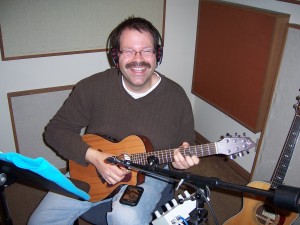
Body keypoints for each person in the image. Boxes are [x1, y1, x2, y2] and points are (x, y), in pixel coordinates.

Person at [28, 17, 200, 225]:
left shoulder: (176, 97)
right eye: (128, 51)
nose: (138, 59)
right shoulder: (92, 87)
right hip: (91, 166)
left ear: (157, 55)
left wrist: (180, 163)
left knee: (125, 217)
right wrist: (94, 158)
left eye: (146, 50)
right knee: (41, 219)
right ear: (115, 56)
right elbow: (55, 130)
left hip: (149, 173)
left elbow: (185, 144)